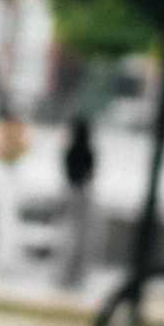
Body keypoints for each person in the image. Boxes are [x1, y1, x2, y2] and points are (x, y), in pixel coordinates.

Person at [57, 113, 98, 290]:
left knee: (70, 235)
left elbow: (67, 174)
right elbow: (92, 174)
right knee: (80, 237)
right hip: (83, 195)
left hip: (72, 194)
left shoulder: (70, 151)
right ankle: (75, 275)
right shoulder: (88, 151)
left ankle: (66, 274)